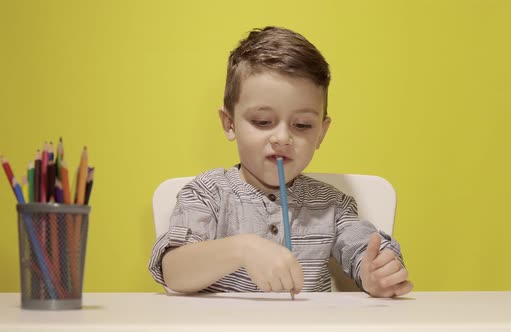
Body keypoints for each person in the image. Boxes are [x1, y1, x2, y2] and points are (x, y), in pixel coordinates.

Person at [149, 26, 413, 297]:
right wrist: (243, 248)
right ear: (229, 124)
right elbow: (173, 271)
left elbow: (365, 250)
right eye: (263, 121)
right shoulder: (208, 194)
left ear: (321, 133)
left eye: (302, 125)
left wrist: (378, 272)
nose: (283, 137)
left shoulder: (333, 206)